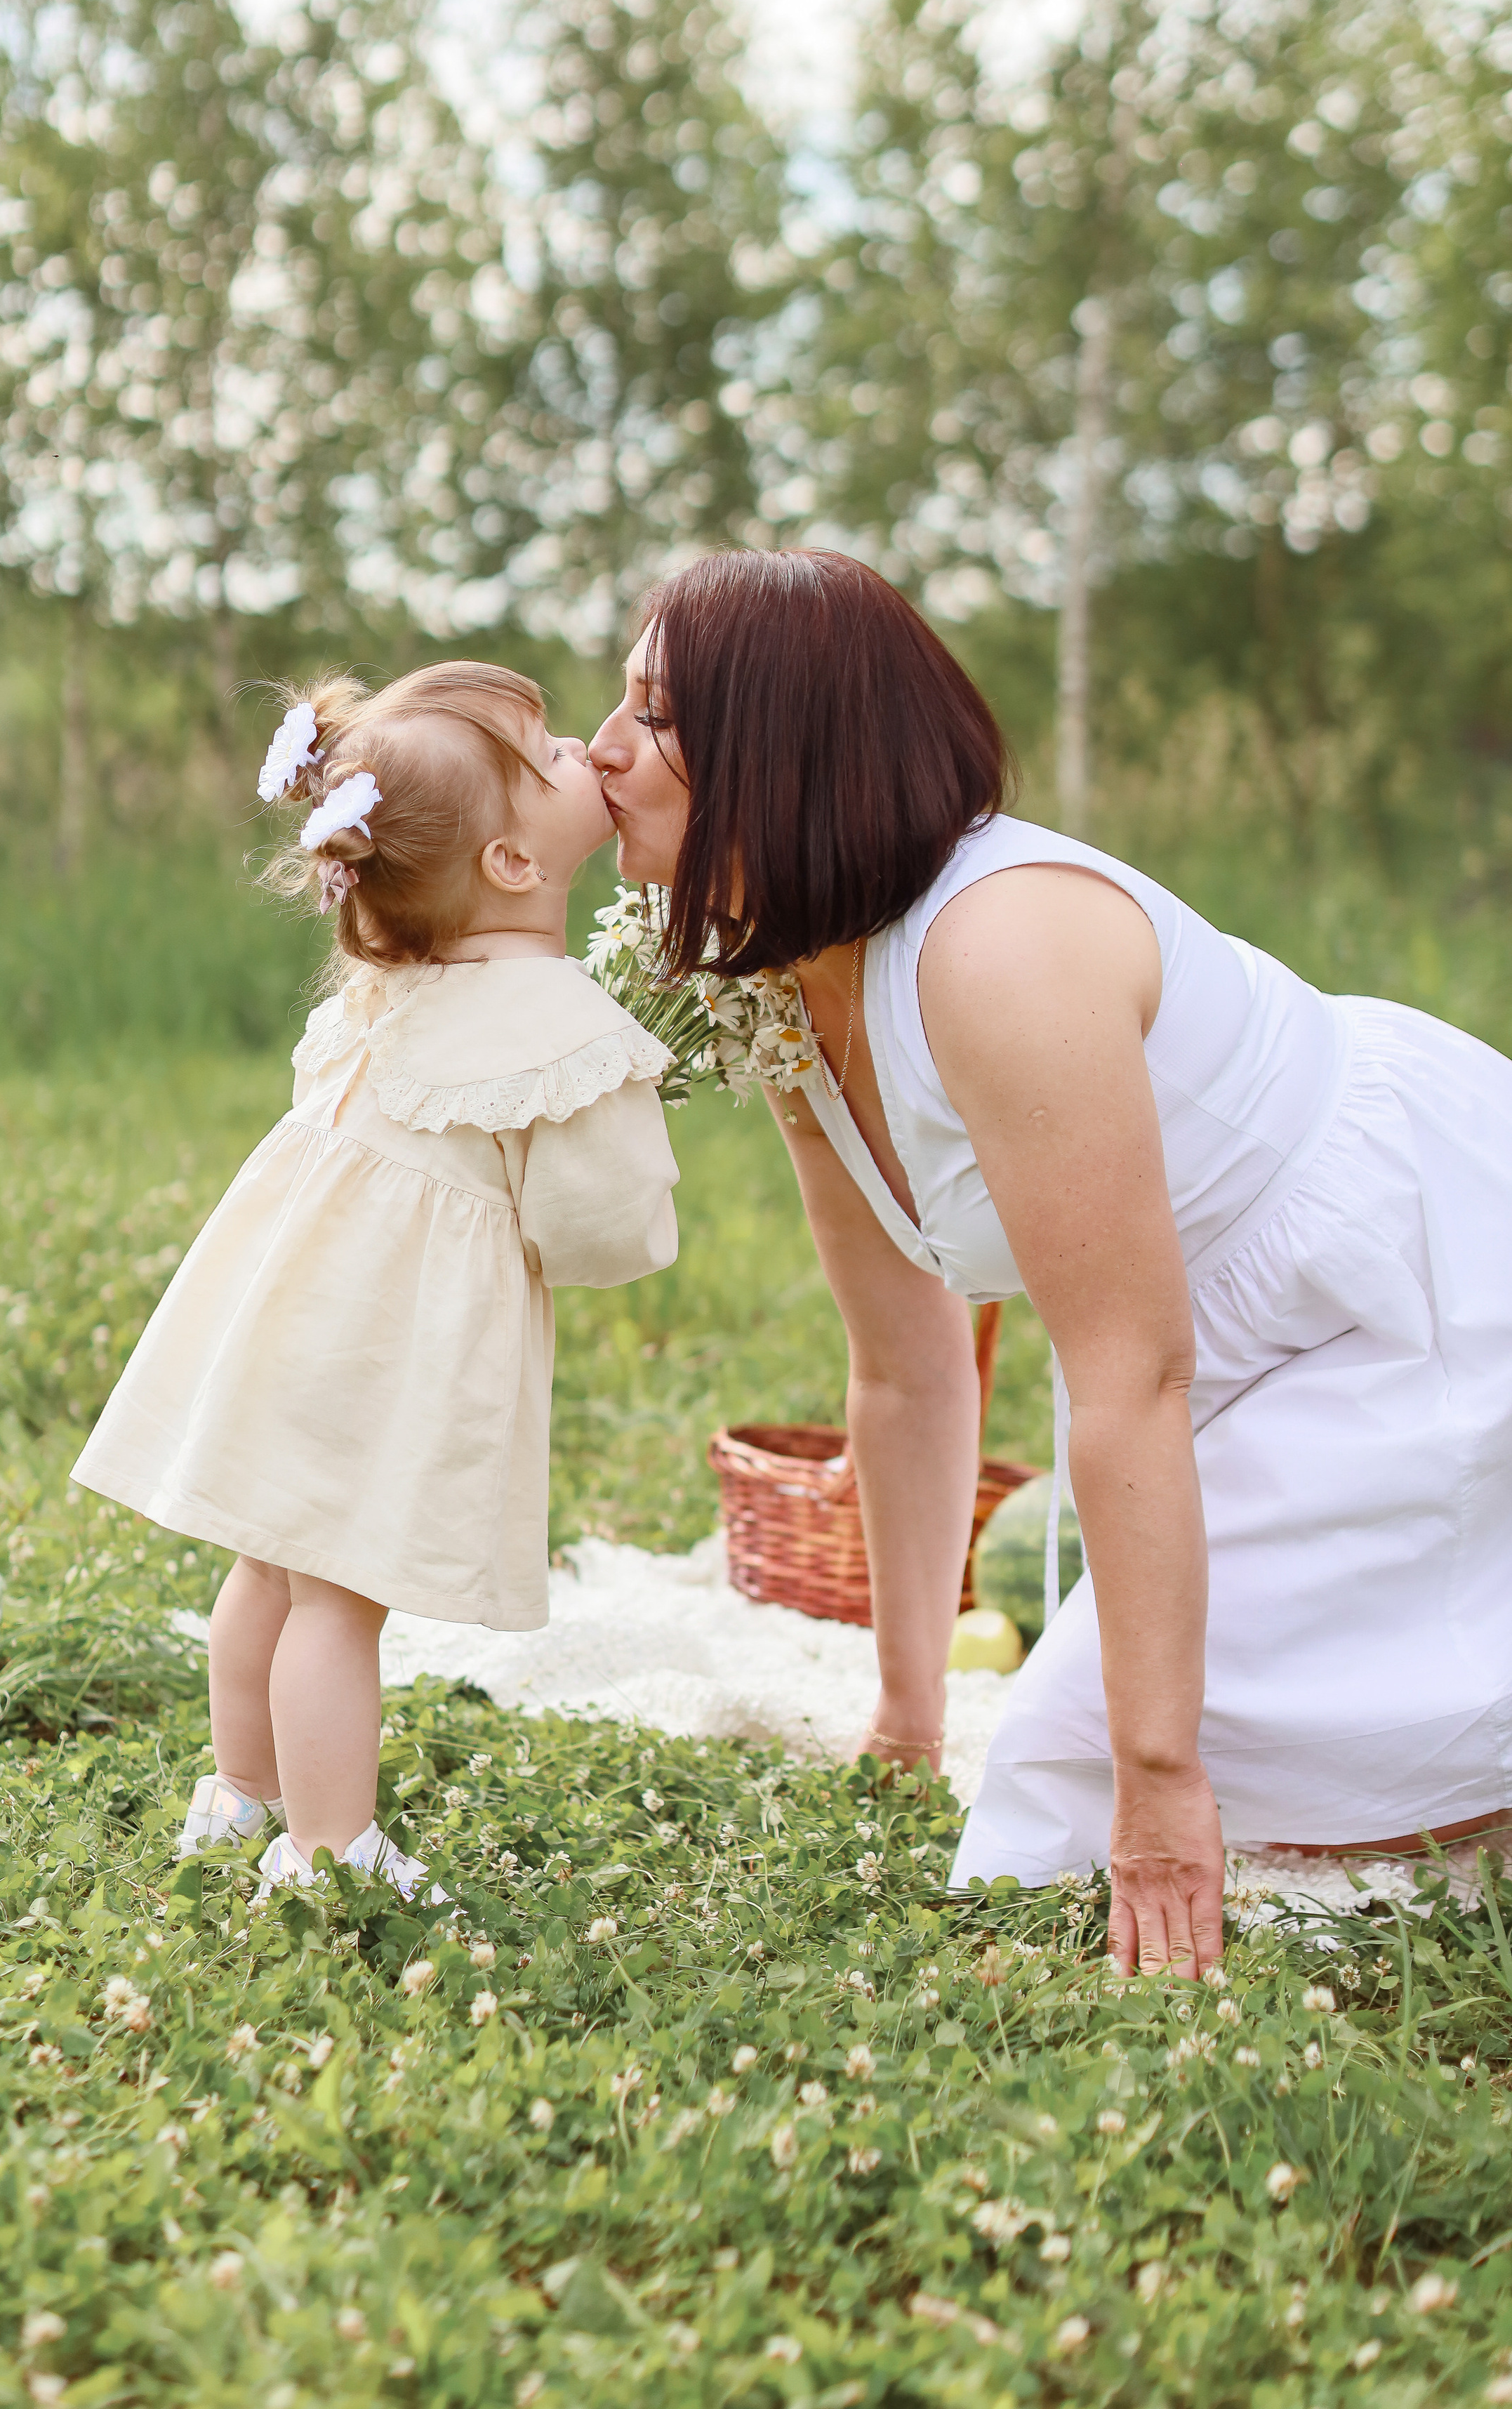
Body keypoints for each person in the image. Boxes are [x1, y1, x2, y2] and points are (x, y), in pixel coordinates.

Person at [588, 548, 1512, 1979]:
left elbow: (1127, 1375)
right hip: (1214, 1345)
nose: (600, 750)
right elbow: (904, 1368)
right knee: (1072, 1758)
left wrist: (1160, 1778)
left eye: (652, 718)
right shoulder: (779, 982)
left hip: (1404, 1267)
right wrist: (907, 1721)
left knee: (1100, 1756)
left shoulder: (997, 949)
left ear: (782, 752)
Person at [75, 662, 680, 1900]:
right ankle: (328, 1850)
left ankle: (239, 1794)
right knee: (338, 1606)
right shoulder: (556, 1022)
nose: (586, 751)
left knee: (268, 1564)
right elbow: (603, 1228)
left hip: (284, 1325)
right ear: (513, 862)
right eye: (553, 755)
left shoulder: (381, 991)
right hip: (378, 1357)